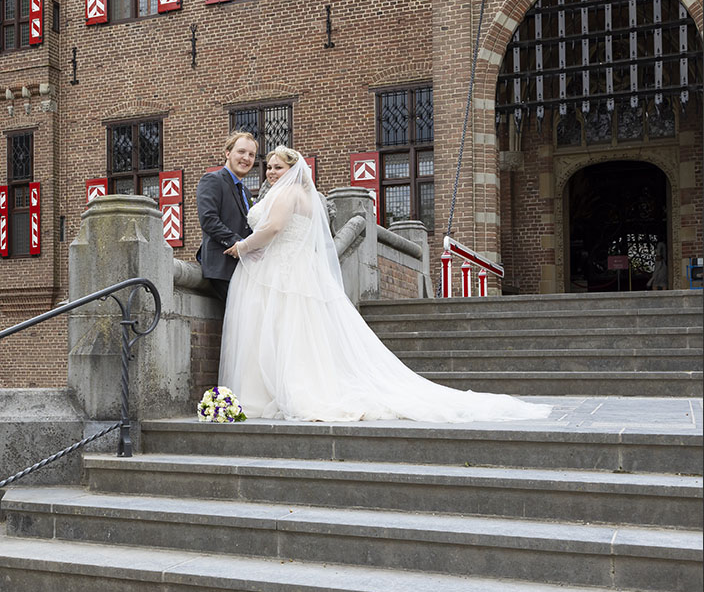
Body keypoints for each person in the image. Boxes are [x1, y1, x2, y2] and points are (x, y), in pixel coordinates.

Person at [219, 146, 551, 423]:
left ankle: (282, 390)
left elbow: (274, 228)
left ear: (293, 169)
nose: (271, 173)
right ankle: (291, 386)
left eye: (278, 167)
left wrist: (242, 247)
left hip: (281, 271)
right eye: (270, 168)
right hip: (297, 271)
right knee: (297, 334)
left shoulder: (287, 193)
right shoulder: (308, 197)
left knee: (283, 330)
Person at [196, 132, 258, 302]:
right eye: (241, 152)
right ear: (228, 153)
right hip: (222, 267)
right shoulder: (212, 180)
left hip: (245, 267)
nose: (246, 158)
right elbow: (208, 219)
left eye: (251, 154)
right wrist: (238, 244)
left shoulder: (245, 191)